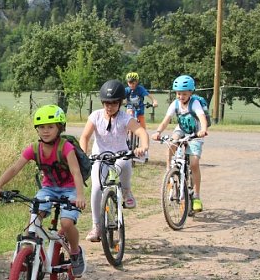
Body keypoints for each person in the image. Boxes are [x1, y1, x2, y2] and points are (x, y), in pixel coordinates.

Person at [0, 105, 88, 277]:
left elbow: (76, 172)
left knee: (66, 223)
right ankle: (27, 253)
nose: (46, 131)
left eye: (51, 127)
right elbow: (14, 168)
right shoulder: (34, 149)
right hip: (48, 188)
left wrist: (79, 195)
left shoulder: (66, 148)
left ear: (60, 128)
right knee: (34, 218)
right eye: (41, 127)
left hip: (70, 189)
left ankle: (75, 252)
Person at [79, 79, 150, 242]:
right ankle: (96, 226)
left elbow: (141, 132)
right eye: (106, 103)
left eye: (113, 103)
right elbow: (85, 136)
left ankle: (126, 191)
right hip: (100, 157)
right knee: (96, 187)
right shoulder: (95, 116)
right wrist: (84, 153)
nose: (109, 107)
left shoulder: (125, 118)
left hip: (120, 155)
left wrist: (143, 146)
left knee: (125, 163)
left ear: (120, 103)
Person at [152, 74, 209, 212]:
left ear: (190, 93)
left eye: (184, 94)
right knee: (172, 143)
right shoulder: (175, 104)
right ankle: (169, 173)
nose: (180, 96)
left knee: (194, 163)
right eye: (178, 93)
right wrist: (158, 132)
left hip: (195, 132)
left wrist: (203, 129)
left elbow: (202, 118)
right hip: (182, 129)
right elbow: (166, 120)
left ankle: (196, 196)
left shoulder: (194, 103)